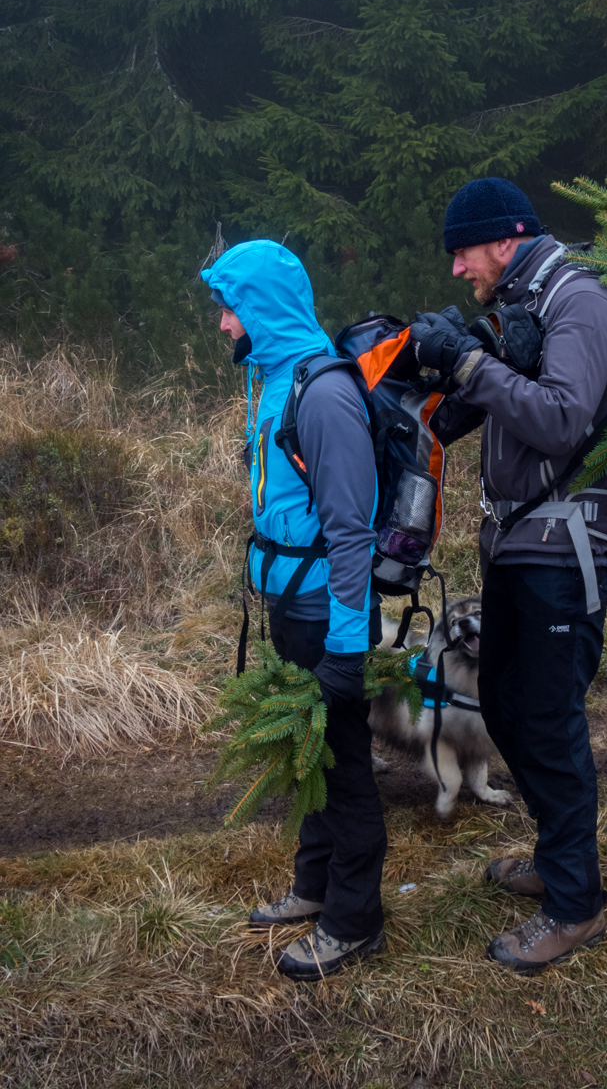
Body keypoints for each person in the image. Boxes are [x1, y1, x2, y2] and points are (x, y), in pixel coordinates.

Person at [410, 177, 607, 976]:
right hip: (517, 544)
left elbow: (562, 416)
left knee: (546, 719)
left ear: (503, 239)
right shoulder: (523, 299)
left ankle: (575, 906)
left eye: (462, 251)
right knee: (504, 702)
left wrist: (471, 363)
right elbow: (501, 403)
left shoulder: (581, 301)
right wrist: (441, 378)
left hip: (565, 548)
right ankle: (558, 858)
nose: (457, 268)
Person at [201, 239, 386, 982]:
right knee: (308, 758)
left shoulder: (326, 393)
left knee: (343, 767)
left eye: (231, 308)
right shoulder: (275, 377)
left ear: (263, 309)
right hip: (292, 602)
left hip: (325, 610)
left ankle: (355, 921)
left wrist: (345, 647)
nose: (223, 324)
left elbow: (352, 532)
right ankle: (315, 888)